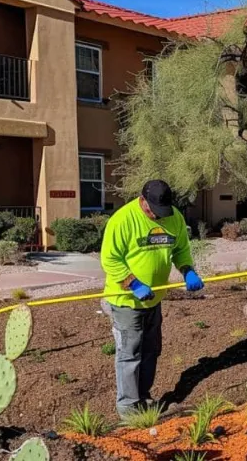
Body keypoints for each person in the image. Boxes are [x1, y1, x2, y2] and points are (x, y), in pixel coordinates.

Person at [100, 179, 205, 418]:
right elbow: (110, 259)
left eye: (162, 211)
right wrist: (133, 283)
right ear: (142, 200)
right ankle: (128, 409)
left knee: (151, 350)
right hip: (126, 301)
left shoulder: (174, 217)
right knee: (130, 353)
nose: (157, 216)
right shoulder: (122, 220)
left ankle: (143, 397)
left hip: (154, 299)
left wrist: (188, 270)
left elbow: (180, 249)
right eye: (153, 211)